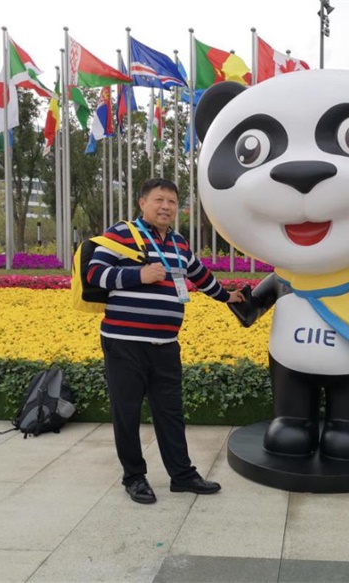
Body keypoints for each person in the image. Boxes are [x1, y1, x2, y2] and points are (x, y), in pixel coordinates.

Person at [87, 177, 245, 504]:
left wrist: (226, 296)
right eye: (159, 200)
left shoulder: (179, 243)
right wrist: (139, 275)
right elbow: (95, 273)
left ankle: (182, 475)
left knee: (170, 412)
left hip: (166, 345)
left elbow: (201, 276)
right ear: (142, 203)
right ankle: (134, 477)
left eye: (172, 202)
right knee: (127, 413)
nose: (166, 207)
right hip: (124, 343)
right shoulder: (122, 234)